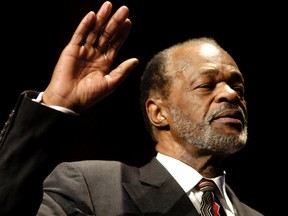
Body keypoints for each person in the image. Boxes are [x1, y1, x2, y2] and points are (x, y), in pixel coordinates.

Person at [0, 1, 264, 215]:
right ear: (158, 113)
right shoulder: (94, 188)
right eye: (207, 85)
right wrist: (55, 105)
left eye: (238, 88)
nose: (230, 95)